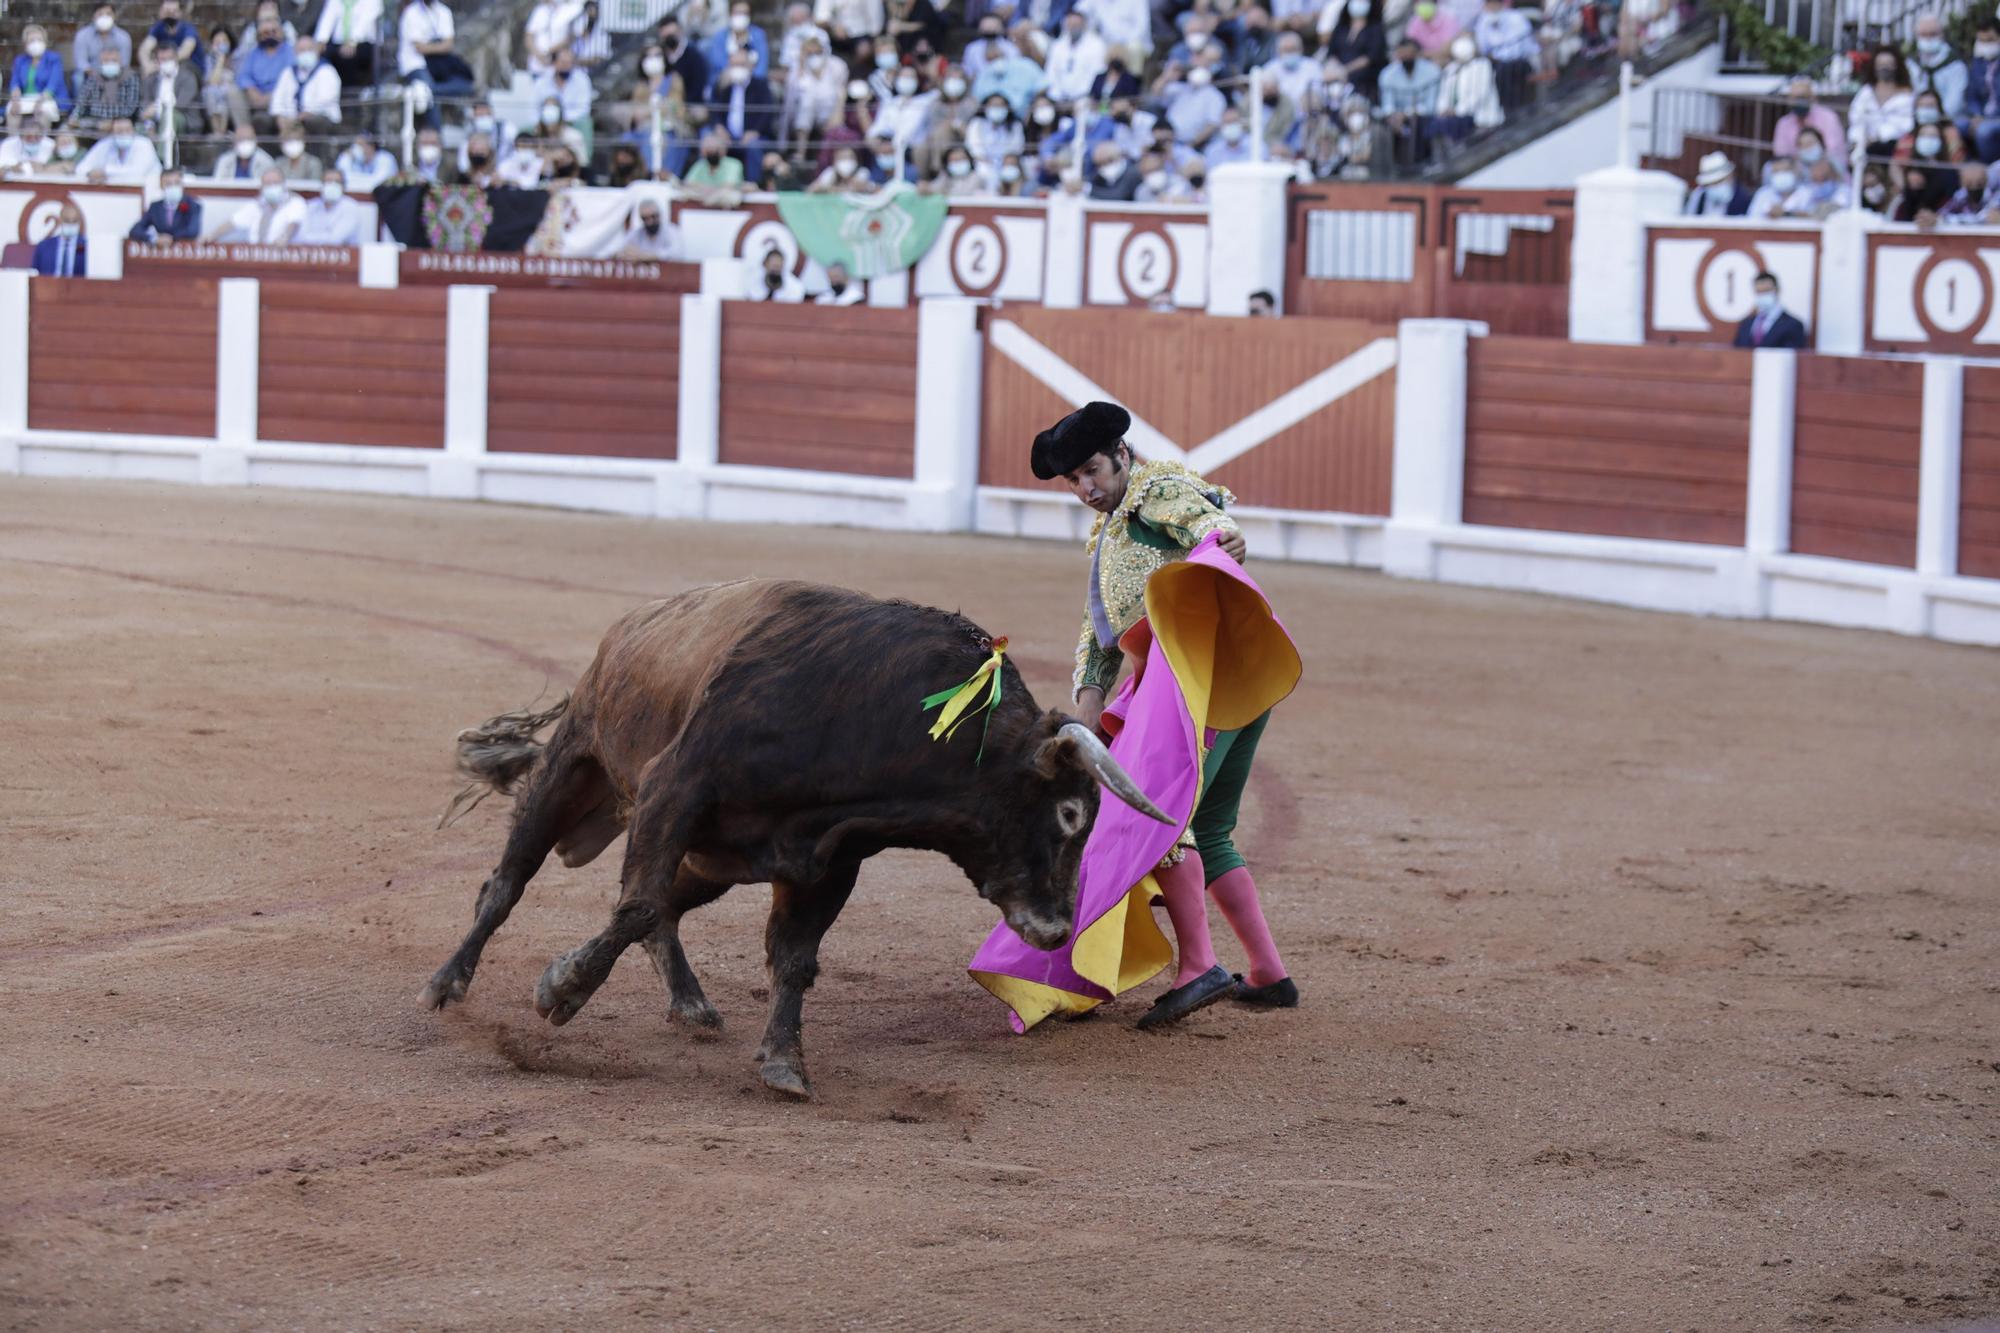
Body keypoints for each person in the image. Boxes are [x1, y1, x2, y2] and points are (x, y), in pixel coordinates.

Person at [1028, 402, 1297, 1027]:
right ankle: (1267, 972)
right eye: (1074, 481)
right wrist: (1088, 708)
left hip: (1197, 685)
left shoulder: (1156, 495)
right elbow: (1098, 636)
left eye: (1093, 470)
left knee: (1160, 813)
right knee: (1210, 826)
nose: (1086, 488)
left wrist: (1222, 538)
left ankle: (1199, 964)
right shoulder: (1112, 530)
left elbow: (1203, 523)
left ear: (1123, 454)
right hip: (1224, 680)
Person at [399, 0, 476, 129]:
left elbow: (448, 45)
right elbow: (419, 48)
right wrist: (439, 45)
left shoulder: (444, 11)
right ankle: (436, 136)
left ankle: (425, 91)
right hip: (416, 64)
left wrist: (430, 46)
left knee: (465, 86)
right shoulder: (411, 13)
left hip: (439, 66)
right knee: (431, 98)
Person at [1850, 45, 1914, 158]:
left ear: (1896, 66)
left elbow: (1906, 125)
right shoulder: (1866, 92)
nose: (1884, 68)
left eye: (1888, 64)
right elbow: (1856, 119)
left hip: (1895, 148)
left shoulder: (1907, 96)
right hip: (1865, 148)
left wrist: (1879, 137)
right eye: (1881, 65)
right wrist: (1860, 141)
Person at [1471, 0, 1535, 110]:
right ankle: (1508, 111)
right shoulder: (1482, 22)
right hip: (1498, 63)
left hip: (1520, 59)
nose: (1492, 6)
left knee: (1516, 69)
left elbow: (1525, 43)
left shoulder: (1516, 17)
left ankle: (1524, 109)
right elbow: (1483, 48)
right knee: (1502, 73)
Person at [272, 36, 341, 135]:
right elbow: (277, 98)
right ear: (295, 53)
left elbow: (325, 100)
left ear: (317, 51)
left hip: (320, 119)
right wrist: (280, 117)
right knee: (264, 121)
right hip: (291, 119)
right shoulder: (288, 73)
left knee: (314, 121)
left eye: (310, 49)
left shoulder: (327, 71)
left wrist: (301, 118)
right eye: (302, 50)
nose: (306, 53)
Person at [1771, 77, 1847, 166]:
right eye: (1795, 98)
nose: (1798, 101)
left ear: (1813, 98)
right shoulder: (1784, 123)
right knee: (1769, 169)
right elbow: (1781, 154)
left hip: (1827, 168)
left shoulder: (1828, 117)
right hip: (1795, 169)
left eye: (1802, 97)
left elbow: (1835, 151)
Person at [9, 25, 72, 126]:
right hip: (26, 98)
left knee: (42, 111)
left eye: (39, 39)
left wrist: (40, 101)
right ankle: (14, 140)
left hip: (48, 98)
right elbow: (14, 83)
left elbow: (53, 85)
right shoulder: (20, 60)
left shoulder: (54, 59)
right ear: (25, 45)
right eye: (32, 40)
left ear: (45, 42)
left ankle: (41, 140)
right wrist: (15, 100)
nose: (36, 43)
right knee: (11, 111)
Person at [315, 0, 384, 91]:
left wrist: (352, 41)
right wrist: (320, 41)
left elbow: (365, 21)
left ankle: (351, 98)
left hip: (365, 43)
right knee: (322, 55)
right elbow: (327, 18)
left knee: (349, 60)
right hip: (339, 44)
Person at [1324, 0, 1387, 100]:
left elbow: (1371, 57)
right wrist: (1336, 70)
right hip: (1338, 74)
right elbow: (1332, 52)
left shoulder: (1375, 29)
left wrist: (1345, 70)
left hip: (1363, 76)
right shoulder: (1341, 28)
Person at [1910, 12, 1968, 120]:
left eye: (1932, 34)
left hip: (1949, 119)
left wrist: (1939, 119)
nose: (1928, 39)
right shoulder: (1911, 64)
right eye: (1923, 34)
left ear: (1942, 35)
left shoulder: (1955, 65)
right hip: (1917, 119)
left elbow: (1955, 101)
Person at [230, 167, 307, 243]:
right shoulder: (257, 204)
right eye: (268, 183)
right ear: (261, 187)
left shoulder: (295, 202)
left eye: (275, 183)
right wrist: (217, 238)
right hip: (257, 251)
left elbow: (294, 223)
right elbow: (233, 222)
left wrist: (285, 238)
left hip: (283, 251)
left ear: (283, 184)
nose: (272, 186)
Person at [1044, 11, 1108, 103]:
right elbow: (1051, 73)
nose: (1073, 28)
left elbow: (1097, 74)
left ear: (1084, 25)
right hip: (1058, 98)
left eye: (1076, 25)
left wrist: (1080, 96)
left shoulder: (1096, 45)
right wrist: (1057, 95)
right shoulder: (1057, 45)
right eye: (1070, 25)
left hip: (1085, 97)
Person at [73, 47, 143, 129]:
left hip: (123, 122)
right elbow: (82, 102)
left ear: (120, 61)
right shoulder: (93, 77)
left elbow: (131, 107)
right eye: (106, 61)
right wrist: (74, 118)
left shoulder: (130, 77)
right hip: (96, 122)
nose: (110, 64)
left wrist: (112, 123)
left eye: (113, 61)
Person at [76, 116, 161, 184]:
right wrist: (90, 173)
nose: (124, 134)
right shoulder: (105, 144)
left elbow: (136, 173)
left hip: (147, 191)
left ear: (133, 131)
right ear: (112, 132)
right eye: (119, 131)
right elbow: (80, 168)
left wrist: (105, 172)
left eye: (127, 130)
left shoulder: (144, 144)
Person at [1734, 271, 1807, 350]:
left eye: (1766, 291)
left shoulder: (1793, 325)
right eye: (1759, 292)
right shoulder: (1746, 324)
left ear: (1777, 290)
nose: (1762, 295)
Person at [129, 166, 203, 242]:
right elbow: (135, 230)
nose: (173, 187)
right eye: (168, 184)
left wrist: (170, 238)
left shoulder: (193, 205)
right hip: (161, 252)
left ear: (182, 184)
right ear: (161, 186)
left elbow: (192, 231)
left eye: (177, 183)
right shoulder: (155, 207)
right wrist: (154, 238)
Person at [73, 5, 134, 91]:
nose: (104, 17)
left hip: (115, 73)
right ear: (93, 16)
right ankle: (80, 104)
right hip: (90, 74)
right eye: (100, 14)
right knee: (78, 77)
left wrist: (111, 74)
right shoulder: (82, 35)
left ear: (114, 16)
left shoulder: (123, 37)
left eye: (108, 14)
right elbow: (81, 63)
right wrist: (96, 75)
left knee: (129, 76)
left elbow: (124, 64)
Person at [295, 167, 363, 244]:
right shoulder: (311, 206)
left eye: (337, 182)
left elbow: (335, 239)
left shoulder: (351, 207)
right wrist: (325, 237)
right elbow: (300, 237)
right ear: (322, 185)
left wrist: (312, 238)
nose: (332, 185)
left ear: (343, 186)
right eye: (329, 181)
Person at [683, 127, 747, 200]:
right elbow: (688, 184)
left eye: (715, 149)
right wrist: (713, 190)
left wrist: (705, 190)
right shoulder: (700, 164)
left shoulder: (734, 164)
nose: (711, 152)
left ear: (723, 151)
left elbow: (730, 186)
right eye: (708, 150)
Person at [1684, 150, 1752, 216]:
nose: (1715, 186)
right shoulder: (1699, 196)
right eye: (1711, 183)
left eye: (1719, 181)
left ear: (1730, 176)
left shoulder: (1743, 199)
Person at [32, 202, 88, 277]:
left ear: (79, 222)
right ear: (60, 220)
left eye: (74, 221)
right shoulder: (44, 247)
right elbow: (34, 274)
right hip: (49, 286)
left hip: (77, 287)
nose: (71, 224)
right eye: (67, 221)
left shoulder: (86, 247)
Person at [617, 199, 681, 259]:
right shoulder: (637, 233)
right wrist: (628, 252)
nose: (650, 222)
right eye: (645, 218)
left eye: (653, 216)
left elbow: (676, 252)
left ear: (659, 215)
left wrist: (649, 256)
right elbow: (621, 249)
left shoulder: (671, 230)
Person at [1940, 159, 1999, 223]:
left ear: (1986, 180)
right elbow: (1941, 215)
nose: (1974, 187)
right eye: (1969, 184)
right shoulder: (1960, 197)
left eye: (1979, 184)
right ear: (1962, 183)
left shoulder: (1995, 197)